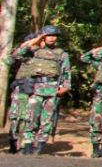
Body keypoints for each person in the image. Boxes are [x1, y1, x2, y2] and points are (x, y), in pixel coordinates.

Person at [10, 26, 71, 155]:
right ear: (43, 36)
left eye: (54, 36)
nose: (52, 38)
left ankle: (39, 146)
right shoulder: (33, 51)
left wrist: (65, 87)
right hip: (35, 89)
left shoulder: (61, 53)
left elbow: (66, 72)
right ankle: (27, 144)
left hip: (52, 89)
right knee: (30, 118)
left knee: (46, 120)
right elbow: (16, 54)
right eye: (48, 35)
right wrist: (34, 41)